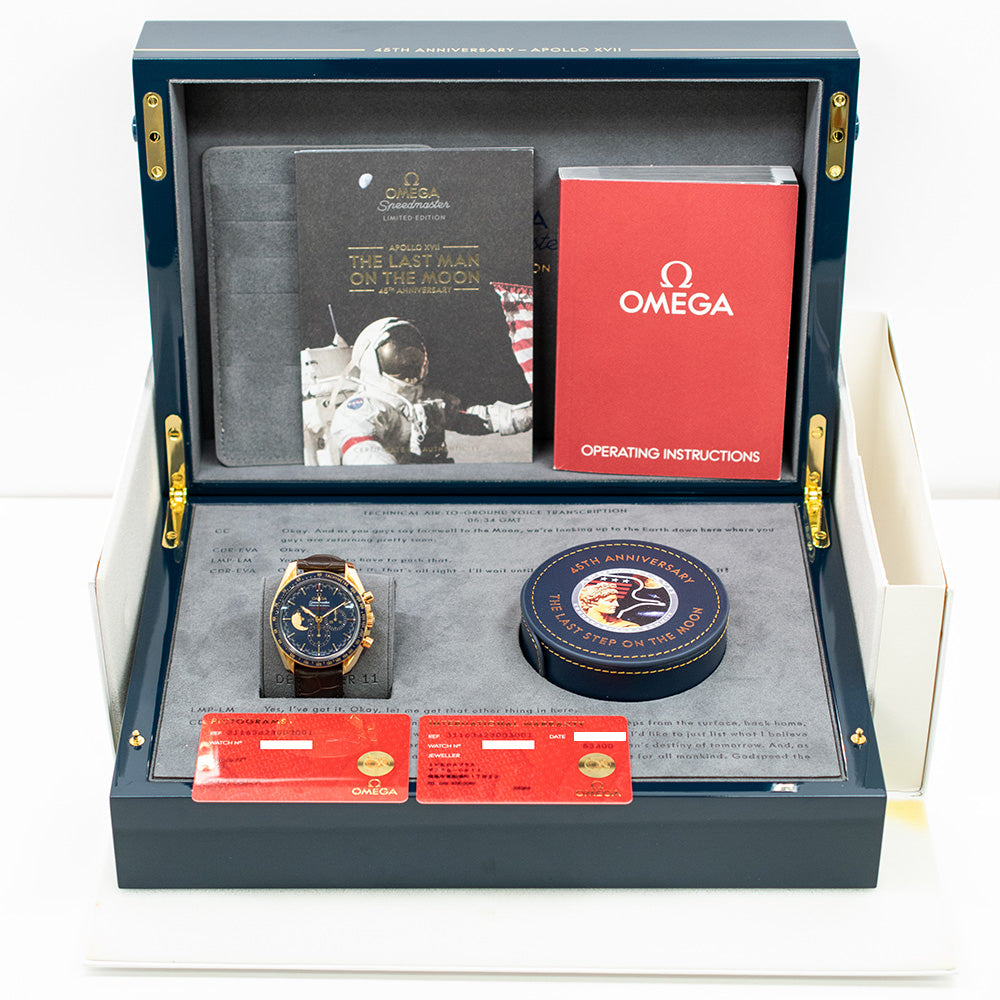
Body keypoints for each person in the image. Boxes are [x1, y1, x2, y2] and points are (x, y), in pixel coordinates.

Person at [327, 317, 532, 464]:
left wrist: (522, 416)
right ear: (372, 361)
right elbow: (363, 451)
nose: (408, 365)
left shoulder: (427, 398)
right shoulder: (363, 409)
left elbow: (471, 418)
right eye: (399, 359)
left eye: (413, 357)